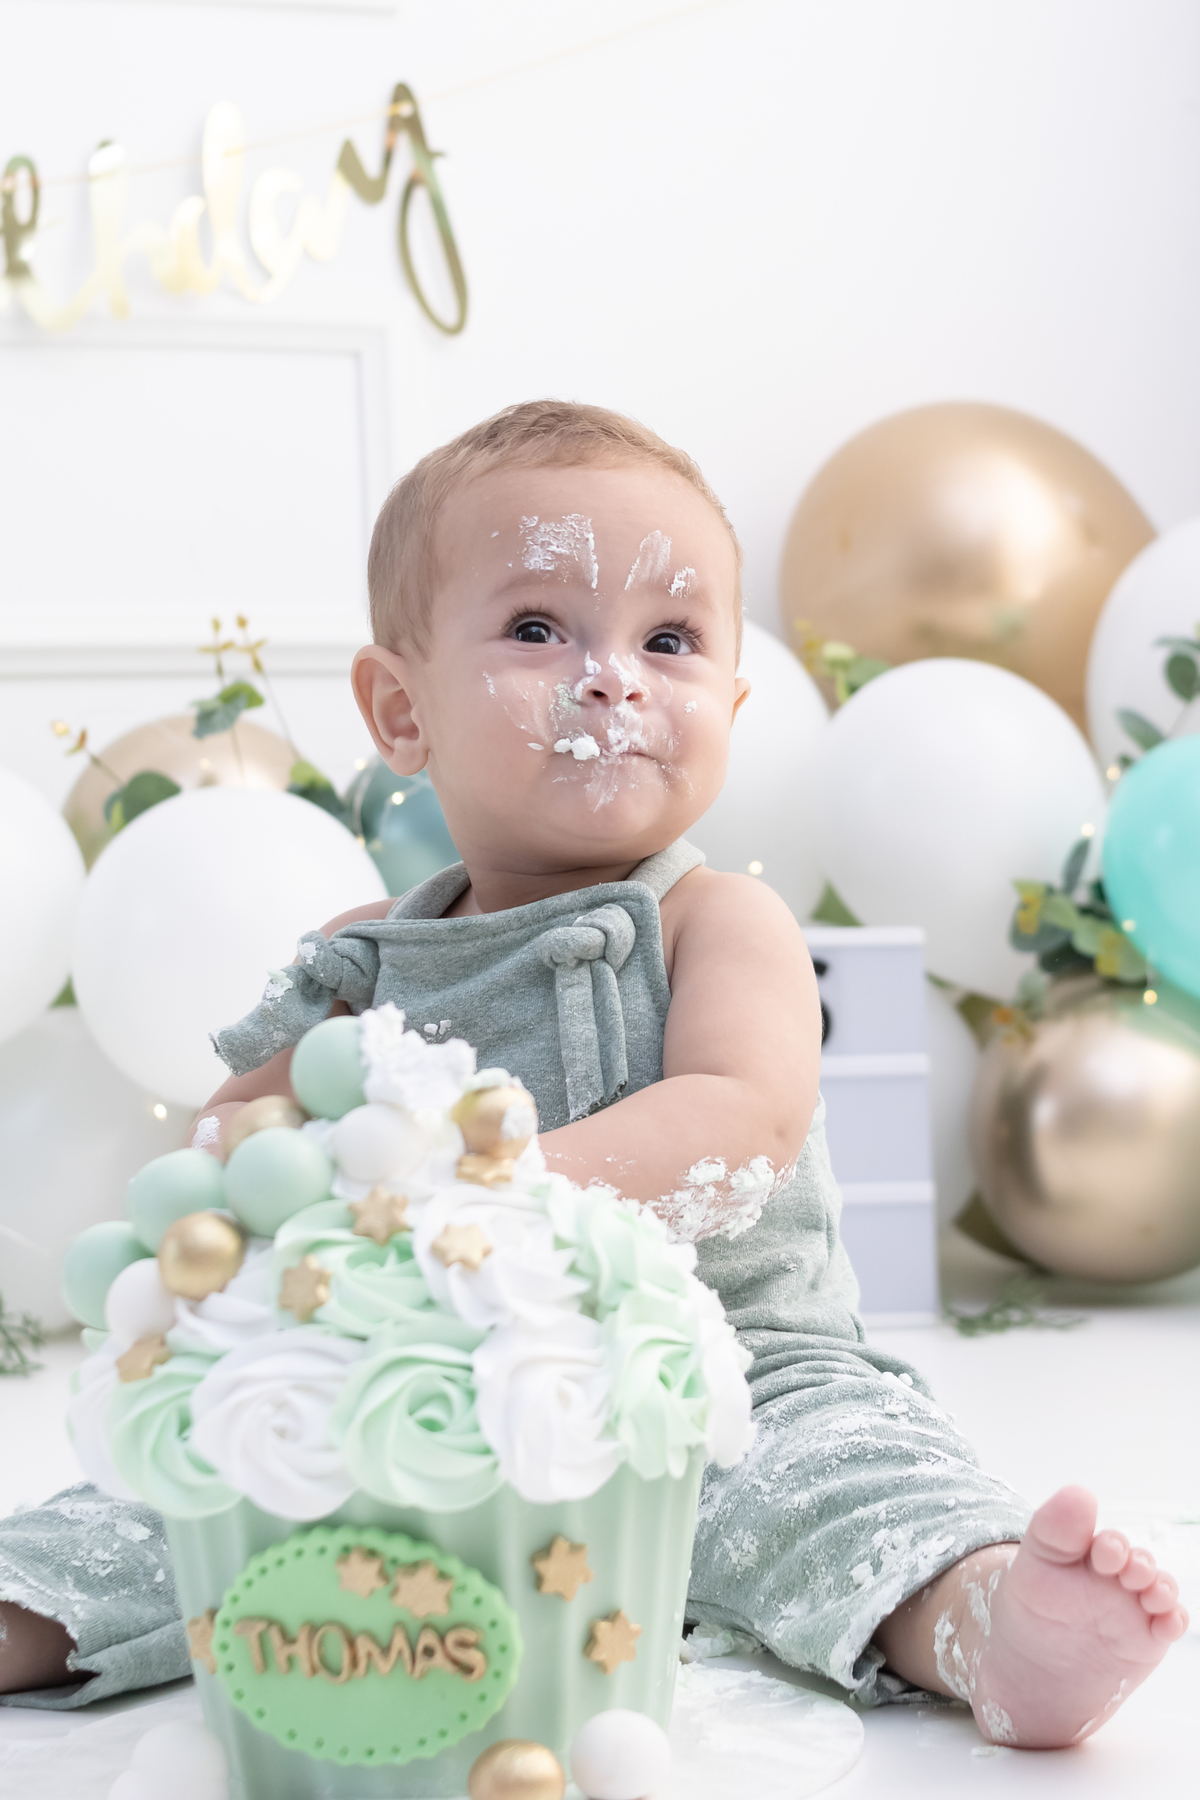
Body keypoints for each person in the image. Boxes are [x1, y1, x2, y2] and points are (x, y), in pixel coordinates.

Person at [0, 401, 1186, 1746]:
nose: (615, 676)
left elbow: (742, 1117)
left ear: (728, 706)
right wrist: (245, 1251)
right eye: (537, 629)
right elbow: (234, 1154)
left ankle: (988, 1622)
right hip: (404, 1377)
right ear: (401, 708)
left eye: (670, 642)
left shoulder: (717, 922)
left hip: (731, 1369)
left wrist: (470, 1192)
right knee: (177, 1493)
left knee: (840, 1490)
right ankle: (25, 1608)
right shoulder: (356, 961)